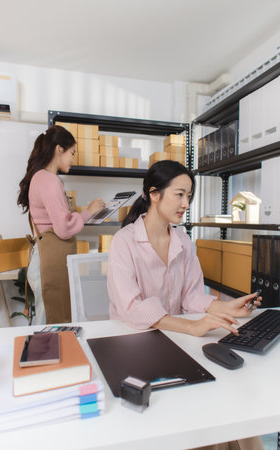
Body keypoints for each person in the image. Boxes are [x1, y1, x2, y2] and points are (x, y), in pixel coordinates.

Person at [107, 160, 264, 450]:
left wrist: (228, 308)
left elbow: (192, 297)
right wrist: (191, 326)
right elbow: (132, 307)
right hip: (135, 345)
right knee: (203, 421)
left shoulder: (182, 240)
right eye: (179, 194)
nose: (186, 203)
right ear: (154, 194)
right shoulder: (124, 242)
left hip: (176, 341)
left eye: (189, 196)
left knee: (235, 411)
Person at [18, 125, 105, 325]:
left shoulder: (39, 178)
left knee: (50, 320)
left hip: (44, 258)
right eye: (72, 153)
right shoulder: (49, 180)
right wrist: (89, 212)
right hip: (49, 262)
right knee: (53, 322)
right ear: (59, 149)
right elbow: (64, 229)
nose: (73, 159)